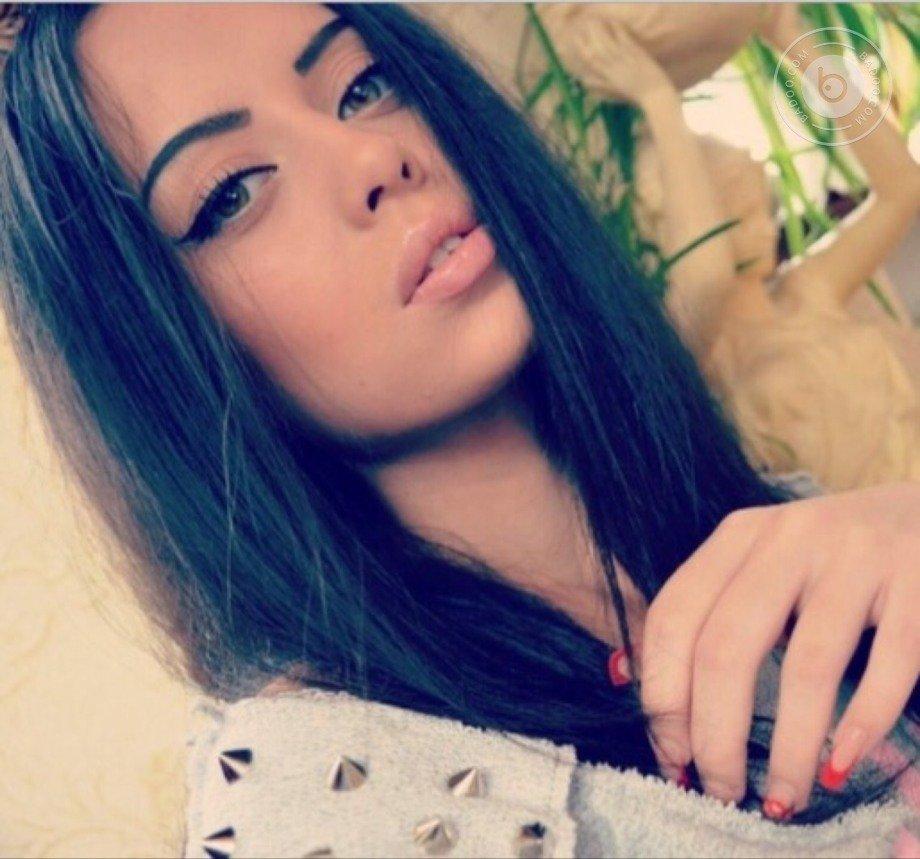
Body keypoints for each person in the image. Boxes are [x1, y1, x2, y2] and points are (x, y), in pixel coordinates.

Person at [0, 3, 916, 854]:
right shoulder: (318, 801)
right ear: (154, 349)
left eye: (364, 85)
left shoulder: (797, 532)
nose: (375, 157)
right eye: (232, 192)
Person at [565, 9, 920, 492]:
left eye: (757, 198)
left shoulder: (807, 293)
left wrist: (795, 41)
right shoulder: (697, 349)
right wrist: (659, 103)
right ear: (669, 230)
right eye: (731, 205)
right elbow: (706, 275)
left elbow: (903, 186)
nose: (761, 216)